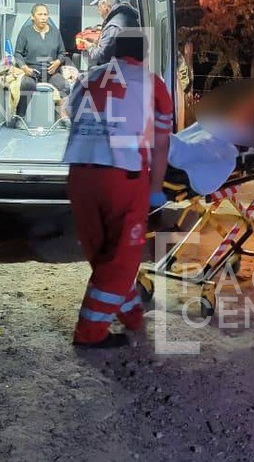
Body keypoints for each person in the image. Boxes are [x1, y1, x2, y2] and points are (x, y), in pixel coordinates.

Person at [63, 17, 173, 348]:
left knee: (103, 252)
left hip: (80, 174)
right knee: (123, 257)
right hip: (122, 176)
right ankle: (89, 333)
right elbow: (161, 142)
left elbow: (71, 115)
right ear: (145, 54)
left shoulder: (87, 78)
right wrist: (155, 187)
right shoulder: (152, 84)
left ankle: (131, 314)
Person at [12, 3, 71, 116]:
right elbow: (17, 54)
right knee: (26, 85)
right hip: (31, 72)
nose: (43, 17)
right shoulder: (25, 32)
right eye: (40, 14)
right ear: (33, 17)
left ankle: (62, 116)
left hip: (51, 72)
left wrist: (58, 62)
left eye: (45, 14)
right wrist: (24, 68)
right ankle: (20, 116)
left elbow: (62, 53)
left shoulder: (55, 32)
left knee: (65, 86)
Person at [79, 0, 140, 69]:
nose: (98, 11)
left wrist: (89, 47)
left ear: (104, 4)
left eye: (98, 6)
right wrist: (98, 42)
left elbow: (101, 56)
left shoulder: (114, 26)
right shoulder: (126, 17)